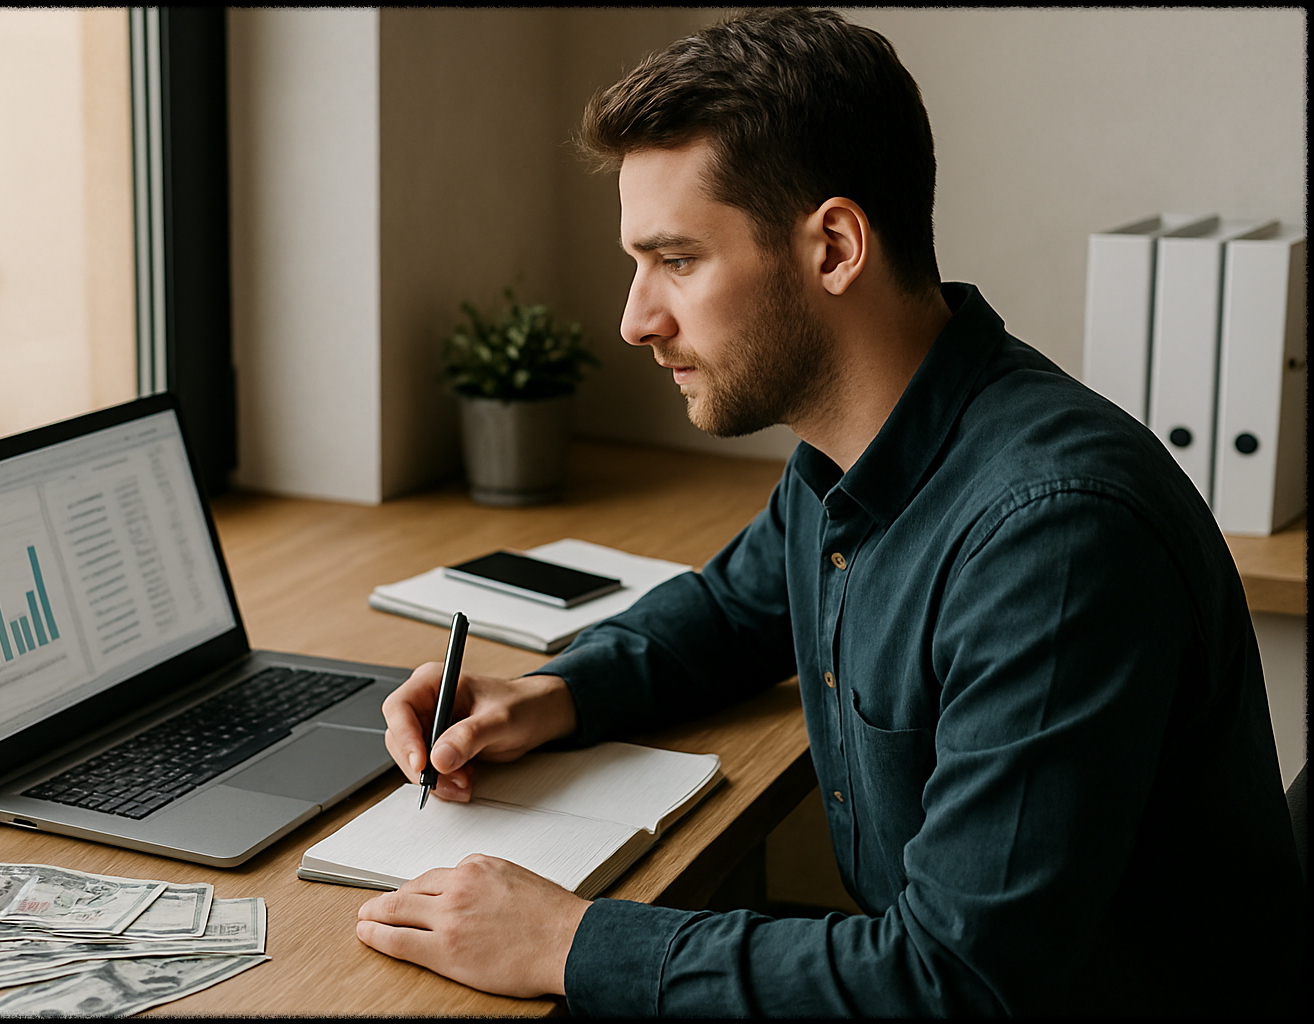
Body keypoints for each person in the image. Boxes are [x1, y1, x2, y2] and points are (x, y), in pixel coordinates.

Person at [355, 7, 1305, 1015]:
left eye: (677, 260)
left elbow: (956, 982)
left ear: (837, 246)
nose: (635, 319)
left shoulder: (1056, 537)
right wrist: (551, 694)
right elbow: (728, 613)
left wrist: (568, 940)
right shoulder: (847, 452)